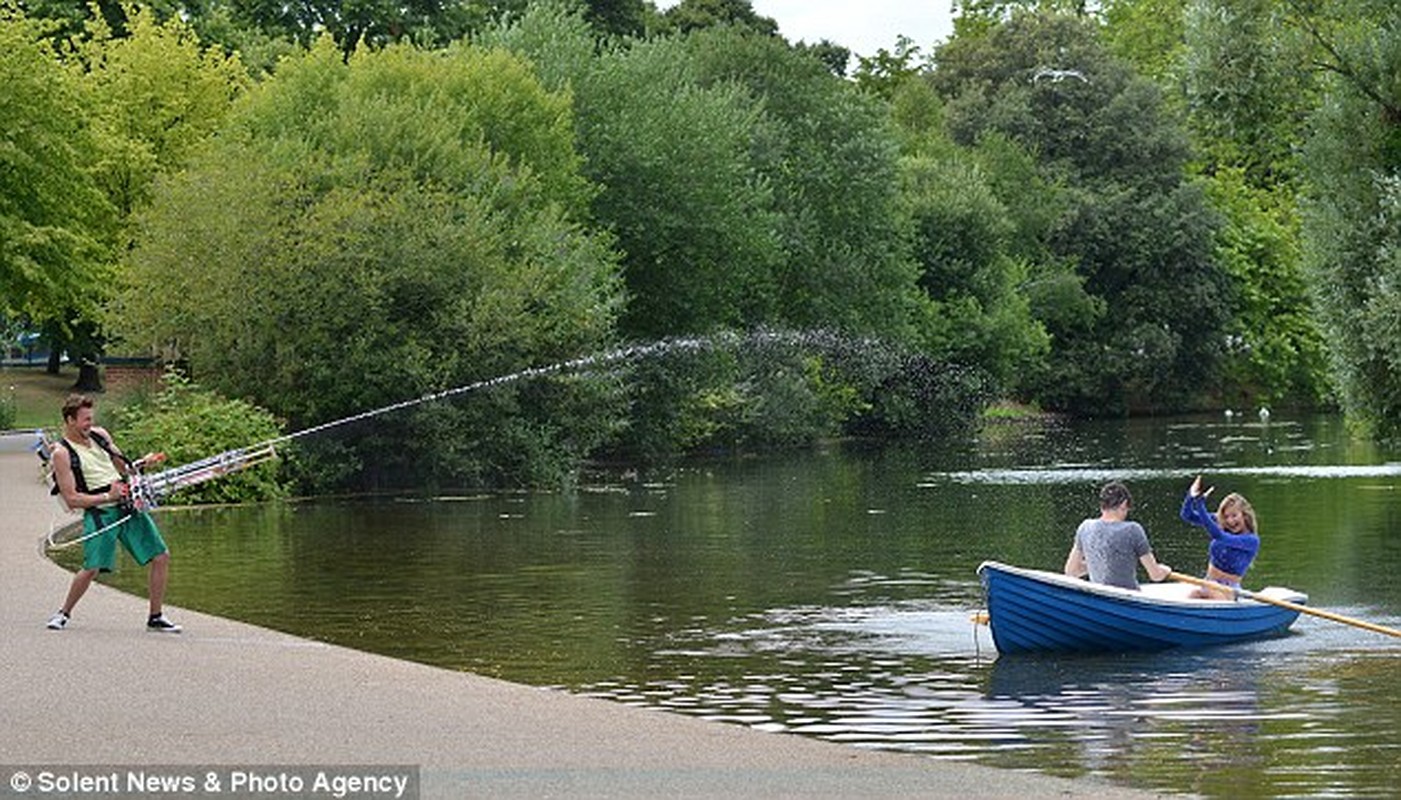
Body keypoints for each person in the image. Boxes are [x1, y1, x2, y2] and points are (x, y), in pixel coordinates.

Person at [45, 394, 181, 632]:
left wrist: (141, 463)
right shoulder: (62, 454)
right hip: (100, 511)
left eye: (91, 418)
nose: (90, 424)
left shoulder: (100, 436)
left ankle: (155, 616)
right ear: (70, 420)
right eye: (85, 419)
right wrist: (108, 497)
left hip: (126, 504)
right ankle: (63, 613)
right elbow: (72, 499)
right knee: (92, 567)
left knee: (161, 556)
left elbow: (123, 468)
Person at [1064, 481, 1172, 590]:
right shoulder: (1133, 530)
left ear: (1102, 506)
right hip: (1129, 596)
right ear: (1124, 504)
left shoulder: (1085, 527)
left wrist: (1097, 564)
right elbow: (1155, 575)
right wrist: (1166, 570)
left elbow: (1071, 571)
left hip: (1099, 595)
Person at [1180, 475, 1260, 598]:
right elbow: (1187, 515)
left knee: (1209, 594)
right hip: (1207, 582)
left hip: (1228, 589)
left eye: (1234, 516)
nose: (1230, 521)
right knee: (1193, 594)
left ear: (1245, 515)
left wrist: (1200, 504)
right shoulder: (1220, 522)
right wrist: (1191, 495)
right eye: (1226, 516)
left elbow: (1219, 536)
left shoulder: (1251, 540)